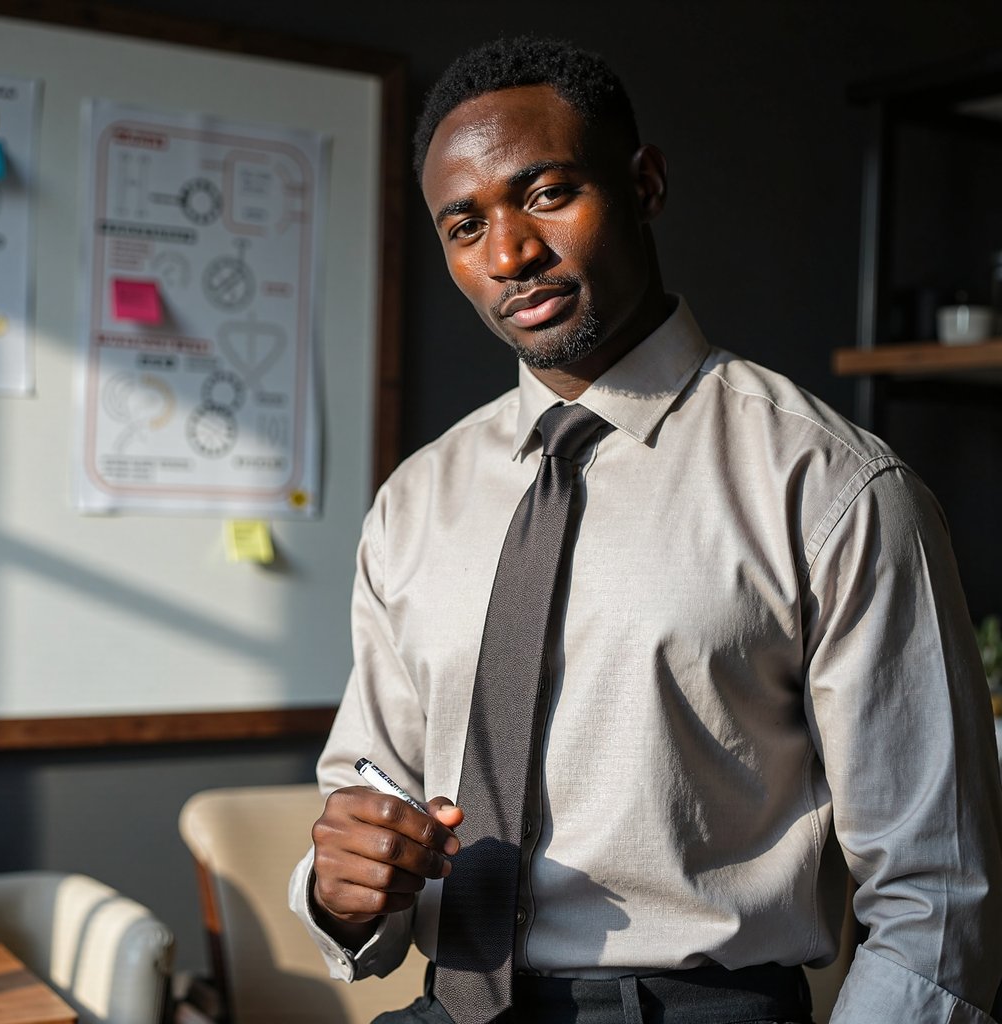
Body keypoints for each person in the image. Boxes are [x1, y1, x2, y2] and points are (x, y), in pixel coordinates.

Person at [290, 36, 1002, 1023]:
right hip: (445, 1006)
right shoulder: (414, 503)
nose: (509, 256)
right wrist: (338, 882)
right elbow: (367, 789)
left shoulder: (832, 488)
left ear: (644, 184)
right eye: (466, 226)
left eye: (544, 194)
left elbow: (938, 897)